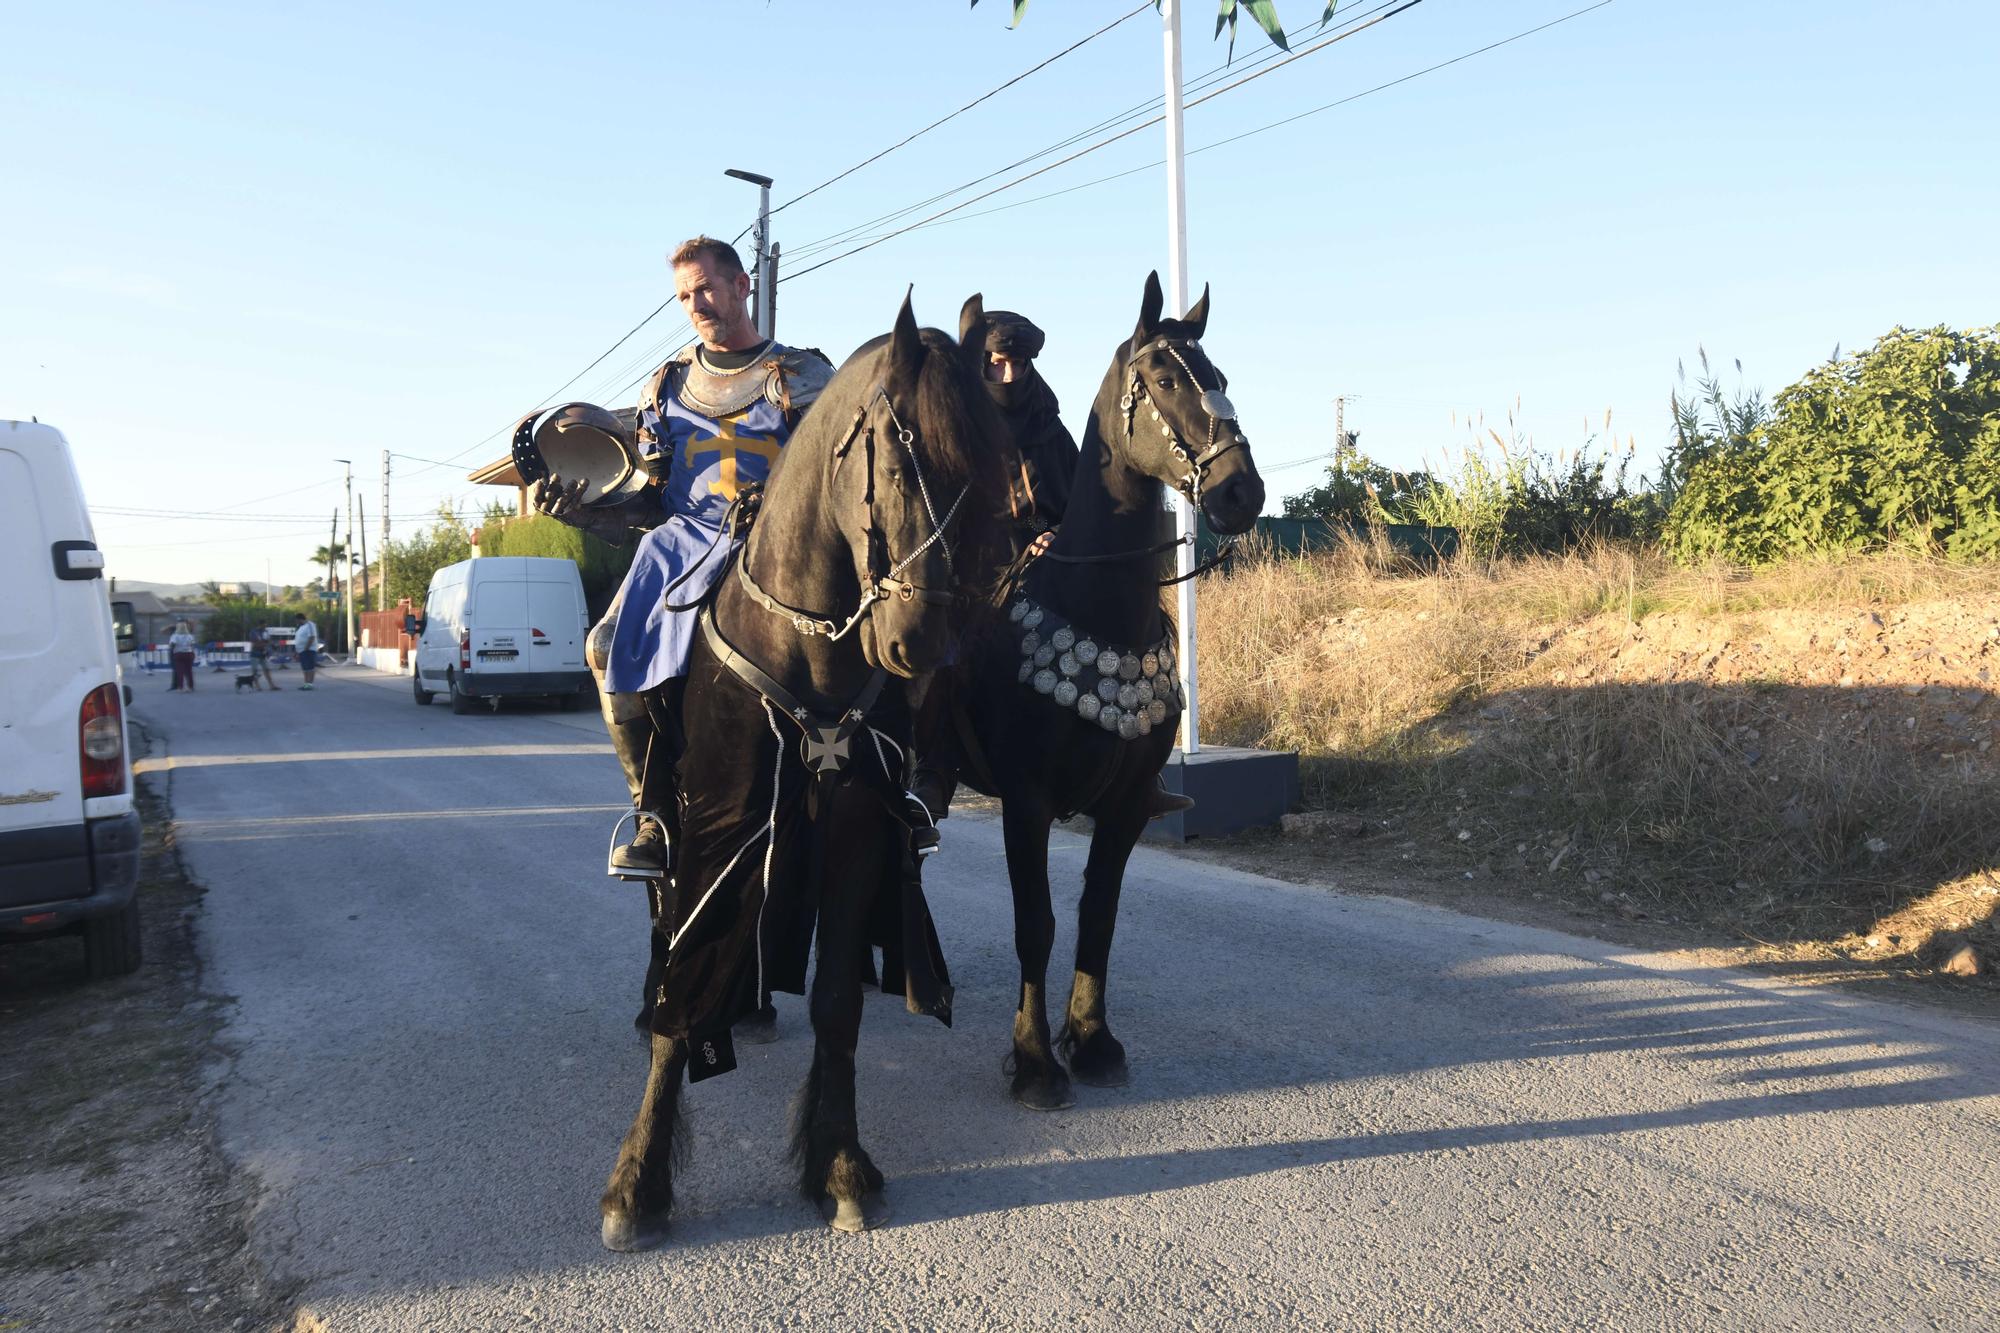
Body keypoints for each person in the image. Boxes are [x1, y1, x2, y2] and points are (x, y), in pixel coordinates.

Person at [534, 236, 832, 875]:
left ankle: (907, 784)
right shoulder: (666, 385)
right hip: (681, 545)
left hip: (781, 547)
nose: (696, 304)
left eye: (705, 288)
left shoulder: (801, 375)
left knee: (897, 628)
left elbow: (836, 481)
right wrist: (585, 512)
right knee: (604, 646)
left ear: (741, 285)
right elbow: (650, 498)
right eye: (684, 295)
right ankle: (653, 815)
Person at [908, 309, 1194, 821]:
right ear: (981, 365)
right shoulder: (956, 424)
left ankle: (1139, 770)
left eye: (1019, 364)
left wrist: (1057, 533)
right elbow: (939, 506)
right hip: (975, 568)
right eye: (998, 364)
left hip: (1050, 564)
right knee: (944, 644)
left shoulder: (1050, 426)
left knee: (1140, 629)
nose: (1010, 376)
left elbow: (1084, 501)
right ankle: (934, 766)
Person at [167, 620, 197, 692]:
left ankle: (180, 687)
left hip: (178, 654)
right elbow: (192, 645)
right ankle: (190, 686)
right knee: (189, 671)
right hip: (188, 654)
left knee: (179, 671)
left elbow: (172, 645)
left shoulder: (175, 636)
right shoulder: (190, 636)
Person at [293, 613, 320, 690]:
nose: (296, 622)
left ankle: (310, 684)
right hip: (301, 650)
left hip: (309, 650)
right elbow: (298, 639)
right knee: (305, 668)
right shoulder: (300, 627)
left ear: (300, 619)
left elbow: (312, 637)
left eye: (297, 620)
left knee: (310, 667)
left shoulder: (310, 625)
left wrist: (306, 648)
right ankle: (306, 683)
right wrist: (297, 651)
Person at [248, 625, 277, 689]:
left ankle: (272, 685)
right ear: (260, 625)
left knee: (267, 669)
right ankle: (257, 686)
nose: (264, 627)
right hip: (255, 654)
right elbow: (254, 644)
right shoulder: (253, 632)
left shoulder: (265, 632)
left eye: (265, 626)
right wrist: (265, 644)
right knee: (255, 670)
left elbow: (268, 640)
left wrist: (272, 645)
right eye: (263, 626)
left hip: (263, 654)